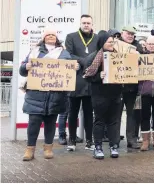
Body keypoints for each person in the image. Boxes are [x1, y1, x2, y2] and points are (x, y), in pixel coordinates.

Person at [20, 27, 79, 161]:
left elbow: (70, 69)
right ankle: (30, 149)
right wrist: (26, 67)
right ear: (43, 38)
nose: (51, 36)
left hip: (55, 96)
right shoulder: (34, 52)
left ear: (57, 38)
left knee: (51, 122)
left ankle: (48, 148)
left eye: (53, 35)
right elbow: (22, 70)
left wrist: (76, 67)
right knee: (33, 122)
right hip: (36, 95)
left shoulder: (64, 53)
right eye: (48, 35)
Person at [83, 31, 123, 159]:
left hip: (115, 94)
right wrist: (97, 77)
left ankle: (113, 146)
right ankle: (98, 147)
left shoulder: (119, 56)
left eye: (113, 42)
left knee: (113, 121)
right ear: (102, 43)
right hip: (99, 95)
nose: (112, 44)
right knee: (99, 121)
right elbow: (87, 76)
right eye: (109, 42)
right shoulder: (94, 57)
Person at [64, 14, 98, 151]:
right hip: (75, 80)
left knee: (89, 112)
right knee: (73, 112)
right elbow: (68, 55)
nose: (86, 25)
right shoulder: (71, 37)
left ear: (92, 24)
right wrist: (84, 61)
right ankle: (72, 140)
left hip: (91, 81)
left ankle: (89, 140)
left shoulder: (96, 38)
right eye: (84, 23)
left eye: (88, 23)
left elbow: (99, 54)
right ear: (80, 23)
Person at [119, 26, 144, 150]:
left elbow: (143, 64)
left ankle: (132, 139)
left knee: (132, 114)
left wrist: (138, 57)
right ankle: (115, 139)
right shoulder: (115, 44)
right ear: (122, 33)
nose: (130, 36)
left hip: (132, 86)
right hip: (117, 86)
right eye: (128, 33)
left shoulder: (138, 47)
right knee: (116, 114)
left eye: (132, 34)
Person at [138, 36, 154, 151]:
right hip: (145, 92)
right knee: (144, 116)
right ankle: (145, 141)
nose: (152, 46)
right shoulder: (141, 57)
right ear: (146, 45)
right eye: (149, 44)